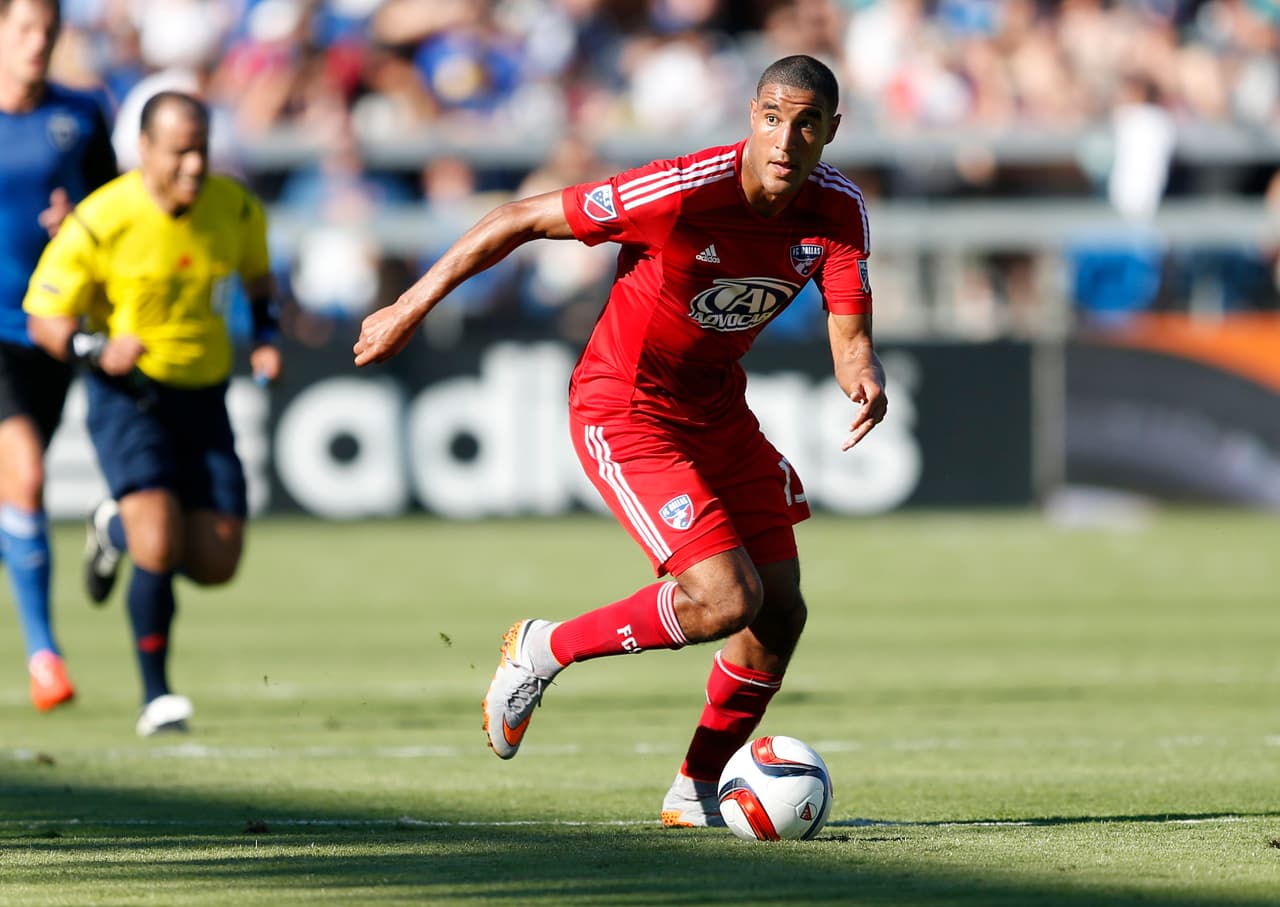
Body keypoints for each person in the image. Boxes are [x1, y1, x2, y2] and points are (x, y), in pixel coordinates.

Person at [354, 54, 886, 826]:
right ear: (751, 115)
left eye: (806, 123)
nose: (785, 137)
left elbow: (851, 341)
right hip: (625, 406)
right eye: (772, 116)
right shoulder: (680, 190)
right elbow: (516, 220)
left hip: (718, 412)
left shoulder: (839, 211)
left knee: (780, 614)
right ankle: (543, 648)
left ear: (830, 131)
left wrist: (864, 373)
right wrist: (408, 306)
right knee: (725, 598)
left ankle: (695, 789)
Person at [24, 90, 282, 735]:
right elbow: (43, 321)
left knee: (219, 562)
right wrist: (95, 347)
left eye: (201, 150)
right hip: (129, 395)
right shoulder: (100, 219)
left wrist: (270, 339)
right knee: (159, 542)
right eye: (180, 152)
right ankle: (157, 696)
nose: (194, 165)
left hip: (206, 394)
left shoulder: (236, 207)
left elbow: (259, 281)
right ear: (143, 150)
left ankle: (114, 529)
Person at [0, 0, 116, 712]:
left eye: (48, 33)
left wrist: (79, 222)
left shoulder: (81, 115)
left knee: (19, 488)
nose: (38, 45)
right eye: (24, 30)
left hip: (49, 328)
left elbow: (115, 214)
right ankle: (45, 653)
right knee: (28, 472)